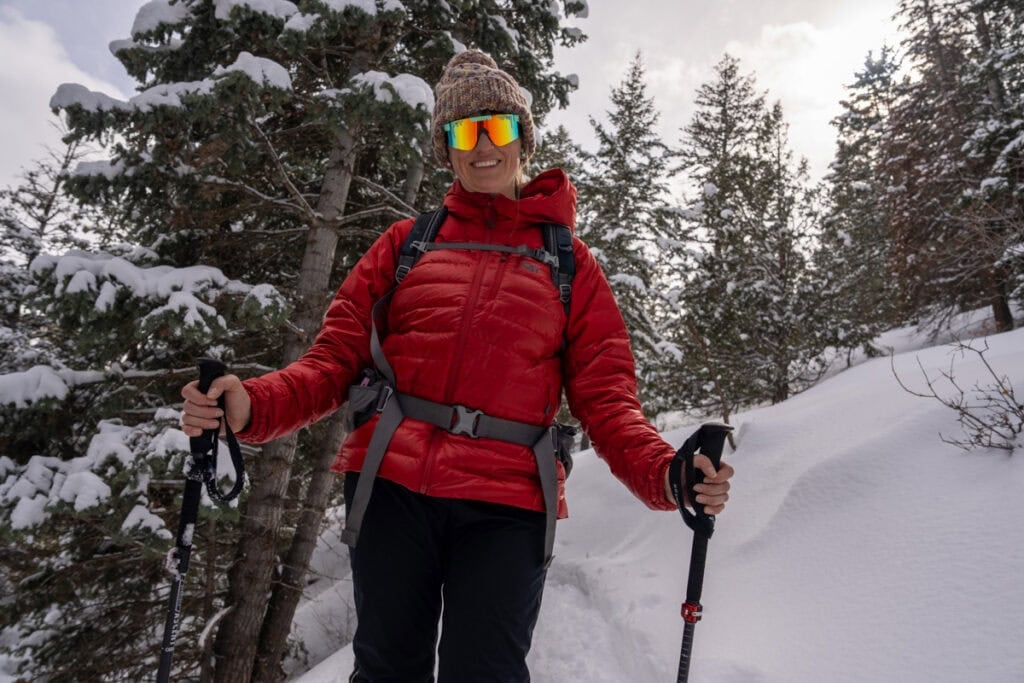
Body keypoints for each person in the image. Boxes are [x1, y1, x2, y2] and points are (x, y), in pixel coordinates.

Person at [180, 49, 734, 682]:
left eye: (497, 127)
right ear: (447, 149)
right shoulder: (406, 244)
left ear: (522, 138)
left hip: (508, 505)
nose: (483, 146)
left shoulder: (570, 264)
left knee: (487, 671)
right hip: (392, 489)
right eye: (463, 132)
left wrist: (666, 475)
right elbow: (334, 360)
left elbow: (608, 402)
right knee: (388, 668)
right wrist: (248, 404)